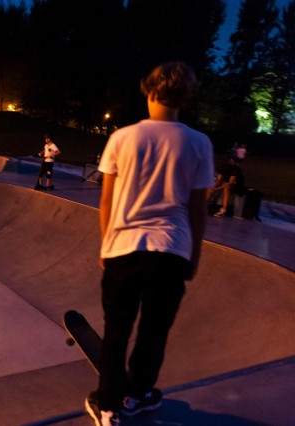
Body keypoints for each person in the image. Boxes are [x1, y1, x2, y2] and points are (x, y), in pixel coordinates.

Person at [86, 62, 214, 426]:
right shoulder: (199, 143)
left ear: (150, 91)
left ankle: (108, 405)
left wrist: (106, 245)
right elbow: (198, 208)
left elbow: (107, 201)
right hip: (173, 250)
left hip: (123, 249)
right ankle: (139, 394)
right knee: (154, 331)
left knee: (117, 330)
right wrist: (195, 256)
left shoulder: (122, 138)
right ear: (185, 98)